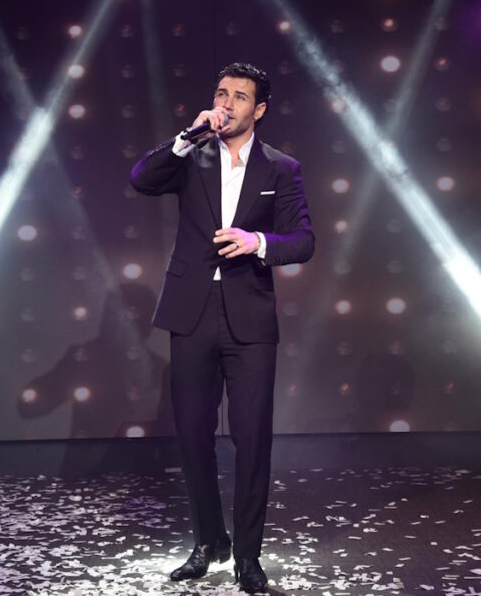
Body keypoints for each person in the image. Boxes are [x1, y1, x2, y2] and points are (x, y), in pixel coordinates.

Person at [130, 62, 314, 593]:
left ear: (259, 109)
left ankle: (248, 557)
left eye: (239, 96)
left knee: (251, 439)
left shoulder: (281, 168)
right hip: (191, 310)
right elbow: (142, 179)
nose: (227, 103)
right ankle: (210, 541)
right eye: (221, 93)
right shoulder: (192, 155)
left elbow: (303, 240)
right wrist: (187, 136)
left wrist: (258, 242)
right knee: (192, 435)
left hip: (248, 315)